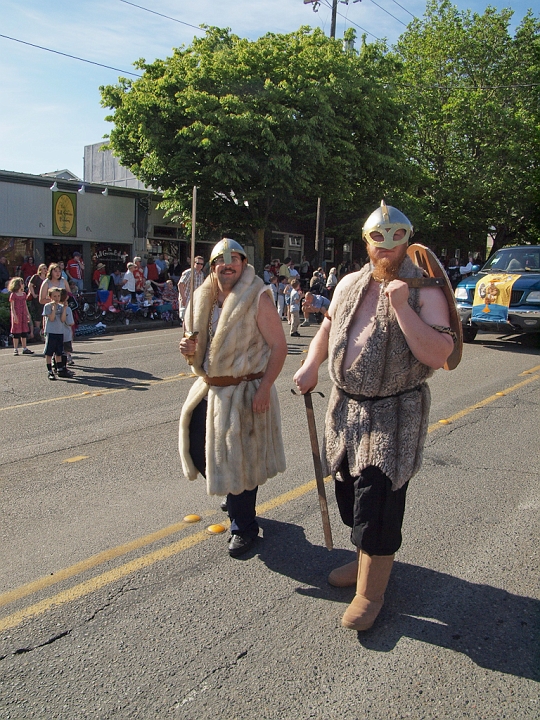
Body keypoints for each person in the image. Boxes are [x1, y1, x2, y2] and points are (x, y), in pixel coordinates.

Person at [293, 201, 454, 632]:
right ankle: (363, 556)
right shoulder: (349, 282)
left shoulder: (425, 290)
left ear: (408, 239)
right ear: (366, 242)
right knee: (350, 495)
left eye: (396, 237)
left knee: (379, 503)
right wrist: (311, 364)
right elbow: (329, 327)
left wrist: (402, 306)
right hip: (344, 410)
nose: (387, 246)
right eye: (377, 239)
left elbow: (440, 354)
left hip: (394, 415)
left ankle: (371, 591)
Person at [178, 238, 287, 557]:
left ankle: (244, 527)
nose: (227, 264)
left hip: (246, 389)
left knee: (241, 461)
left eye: (234, 259)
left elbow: (279, 345)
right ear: (212, 267)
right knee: (197, 445)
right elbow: (193, 345)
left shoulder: (257, 297)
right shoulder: (202, 298)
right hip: (210, 388)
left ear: (243, 263)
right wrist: (187, 349)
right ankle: (230, 488)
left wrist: (265, 387)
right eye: (220, 261)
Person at [43, 287, 73, 380]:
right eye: (54, 296)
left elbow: (63, 319)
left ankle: (60, 369)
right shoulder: (47, 306)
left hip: (59, 332)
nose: (56, 298)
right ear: (50, 296)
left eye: (58, 296)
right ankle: (50, 371)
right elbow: (51, 318)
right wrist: (53, 308)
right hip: (51, 332)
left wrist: (64, 308)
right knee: (49, 353)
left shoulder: (61, 307)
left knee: (59, 352)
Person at [8, 277, 33, 355]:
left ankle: (24, 347)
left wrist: (28, 314)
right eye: (21, 283)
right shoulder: (13, 295)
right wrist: (14, 316)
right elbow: (12, 306)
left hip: (23, 314)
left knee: (24, 331)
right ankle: (15, 348)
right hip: (17, 314)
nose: (23, 285)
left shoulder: (24, 294)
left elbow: (25, 305)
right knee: (16, 333)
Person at [178, 256, 205, 322]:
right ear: (193, 263)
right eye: (198, 263)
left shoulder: (201, 274)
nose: (200, 265)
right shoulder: (189, 272)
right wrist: (183, 298)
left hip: (196, 300)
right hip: (187, 299)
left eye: (201, 264)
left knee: (194, 319)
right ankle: (185, 332)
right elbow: (180, 284)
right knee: (185, 319)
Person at [27, 264, 48, 341]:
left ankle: (44, 332)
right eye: (43, 268)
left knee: (45, 314)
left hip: (46, 298)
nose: (45, 270)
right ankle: (38, 332)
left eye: (46, 268)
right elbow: (30, 285)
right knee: (38, 314)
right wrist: (34, 294)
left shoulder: (47, 278)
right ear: (40, 269)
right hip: (37, 298)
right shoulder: (36, 277)